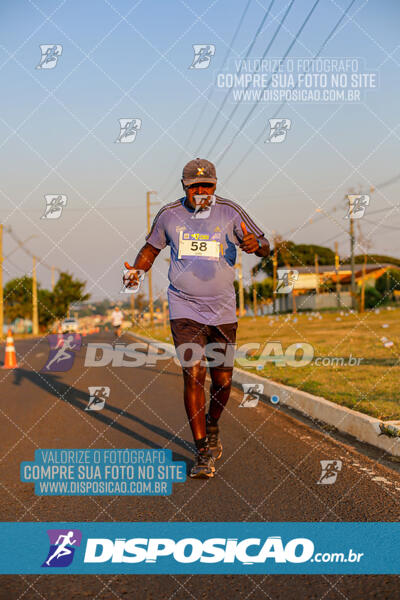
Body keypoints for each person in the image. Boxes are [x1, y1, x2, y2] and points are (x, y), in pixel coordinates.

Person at [124, 158, 269, 478]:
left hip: (222, 310)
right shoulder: (168, 215)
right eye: (195, 187)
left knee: (223, 381)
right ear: (184, 187)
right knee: (194, 373)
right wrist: (137, 270)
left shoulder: (231, 211)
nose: (202, 191)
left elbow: (264, 245)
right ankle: (202, 450)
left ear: (216, 186)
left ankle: (212, 424)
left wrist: (254, 244)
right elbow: (151, 249)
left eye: (208, 186)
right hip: (184, 308)